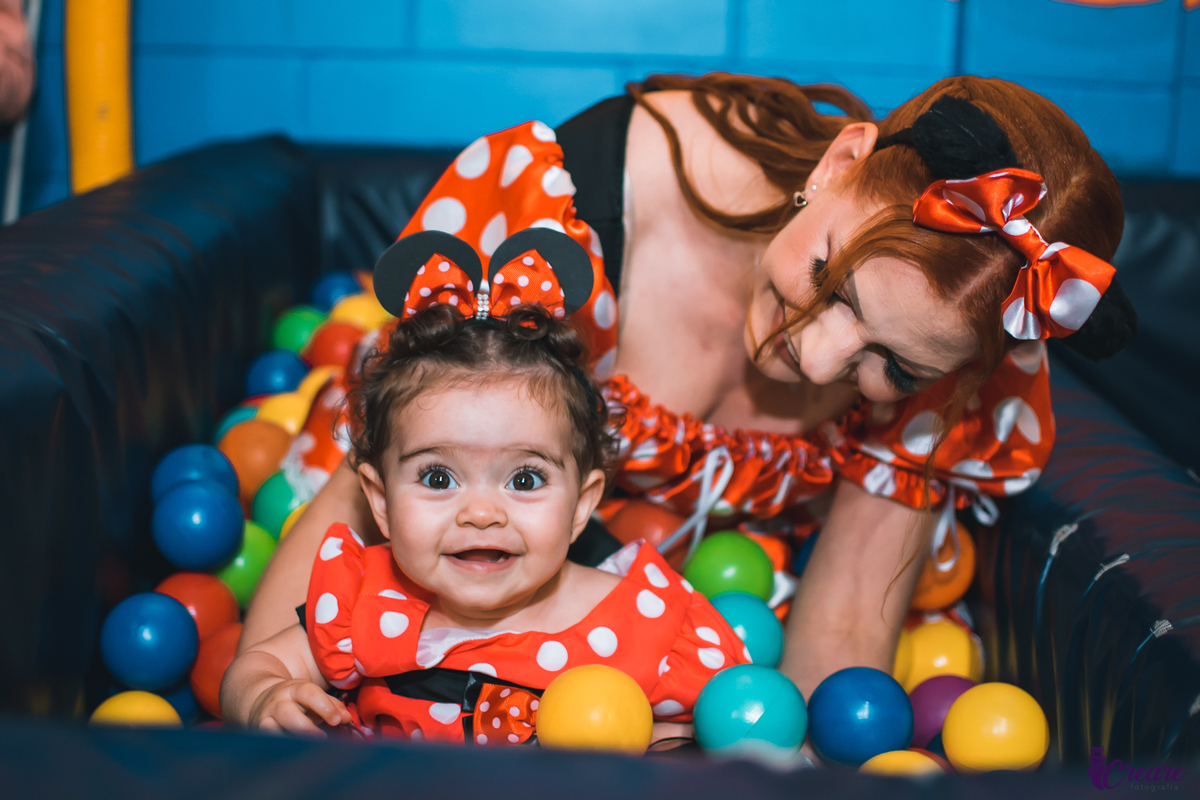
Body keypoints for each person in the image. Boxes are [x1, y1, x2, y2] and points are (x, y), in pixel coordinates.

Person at [241, 73, 1135, 703]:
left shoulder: (960, 362)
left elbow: (838, 641)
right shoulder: (577, 208)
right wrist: (261, 698)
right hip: (458, 515)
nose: (819, 363)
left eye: (893, 367)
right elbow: (400, 473)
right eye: (831, 281)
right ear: (838, 165)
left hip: (676, 604)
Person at [221, 238, 748, 741]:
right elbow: (256, 665)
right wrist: (267, 697)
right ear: (380, 502)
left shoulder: (643, 625)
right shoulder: (366, 603)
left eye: (524, 479)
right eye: (437, 478)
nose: (479, 512)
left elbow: (710, 726)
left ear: (582, 505)